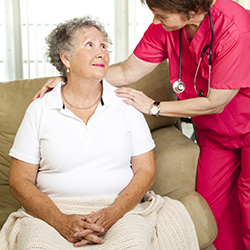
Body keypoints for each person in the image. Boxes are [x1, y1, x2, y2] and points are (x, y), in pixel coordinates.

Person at [34, 1, 250, 250]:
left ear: (192, 12)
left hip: (239, 119)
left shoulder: (235, 27)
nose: (156, 21)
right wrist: (71, 78)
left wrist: (154, 107)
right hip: (215, 133)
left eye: (161, 15)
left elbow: (216, 102)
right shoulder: (168, 26)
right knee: (213, 209)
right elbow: (127, 72)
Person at [0, 16, 200, 250]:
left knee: (134, 245)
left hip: (120, 210)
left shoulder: (126, 104)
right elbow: (19, 180)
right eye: (90, 45)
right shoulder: (40, 109)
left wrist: (112, 214)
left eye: (104, 46)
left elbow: (145, 171)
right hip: (53, 210)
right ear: (66, 58)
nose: (101, 53)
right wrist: (60, 221)